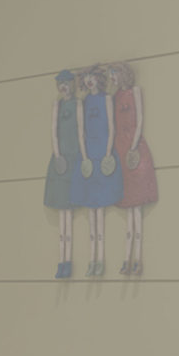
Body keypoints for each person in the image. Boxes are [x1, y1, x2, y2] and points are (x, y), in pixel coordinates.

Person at [70, 65, 123, 276]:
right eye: (87, 78)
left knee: (100, 208)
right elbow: (80, 132)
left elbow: (111, 128)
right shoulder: (83, 103)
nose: (90, 81)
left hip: (103, 153)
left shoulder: (106, 99)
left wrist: (107, 153)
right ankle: (91, 258)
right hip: (89, 154)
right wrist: (84, 157)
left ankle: (100, 258)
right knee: (90, 208)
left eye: (93, 77)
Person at [108, 62, 158, 275]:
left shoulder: (134, 92)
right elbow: (112, 126)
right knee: (128, 207)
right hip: (120, 148)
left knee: (137, 207)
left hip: (133, 147)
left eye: (114, 75)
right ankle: (126, 258)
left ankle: (137, 258)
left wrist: (133, 145)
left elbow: (140, 120)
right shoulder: (114, 97)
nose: (112, 80)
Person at [43, 70, 80, 278]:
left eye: (66, 83)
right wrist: (58, 156)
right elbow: (53, 132)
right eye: (60, 84)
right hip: (61, 160)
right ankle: (61, 260)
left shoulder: (78, 105)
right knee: (61, 215)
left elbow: (81, 131)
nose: (63, 87)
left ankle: (68, 260)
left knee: (69, 213)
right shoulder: (57, 106)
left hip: (74, 158)